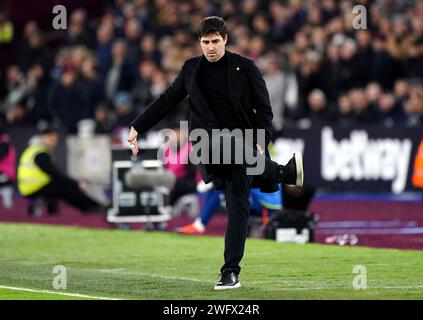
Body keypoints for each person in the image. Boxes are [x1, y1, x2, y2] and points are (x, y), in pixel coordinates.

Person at [128, 16, 303, 290]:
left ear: (225, 40)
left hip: (244, 148)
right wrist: (138, 125)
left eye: (215, 41)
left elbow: (264, 109)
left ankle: (230, 273)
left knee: (238, 209)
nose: (210, 47)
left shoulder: (245, 68)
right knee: (220, 143)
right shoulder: (190, 69)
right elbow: (166, 101)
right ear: (200, 42)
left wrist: (260, 141)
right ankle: (282, 172)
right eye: (205, 42)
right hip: (206, 144)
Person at [17, 123, 105, 213]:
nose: (53, 141)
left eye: (55, 138)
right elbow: (55, 173)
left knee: (64, 186)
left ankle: (92, 207)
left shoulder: (35, 150)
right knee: (67, 188)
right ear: (42, 137)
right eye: (50, 137)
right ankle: (92, 208)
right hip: (34, 187)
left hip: (30, 187)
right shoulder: (39, 153)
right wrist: (76, 184)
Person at [176, 184, 283, 236]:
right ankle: (199, 223)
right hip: (260, 200)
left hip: (266, 205)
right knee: (219, 187)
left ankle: (200, 224)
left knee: (220, 188)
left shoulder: (247, 156)